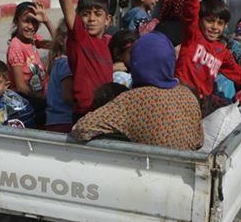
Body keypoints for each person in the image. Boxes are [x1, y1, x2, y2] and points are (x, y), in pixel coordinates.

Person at [70, 32, 203, 150]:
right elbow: (199, 141)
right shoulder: (188, 95)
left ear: (136, 62)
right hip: (185, 173)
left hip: (148, 173)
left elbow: (81, 129)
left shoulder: (132, 100)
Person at [43, 0, 114, 120]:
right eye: (85, 14)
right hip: (87, 115)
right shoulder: (81, 38)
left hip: (106, 113)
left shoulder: (108, 43)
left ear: (108, 20)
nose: (91, 19)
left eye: (97, 14)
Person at [7, 1, 52, 127]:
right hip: (28, 104)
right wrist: (45, 100)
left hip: (39, 98)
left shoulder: (32, 39)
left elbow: (58, 45)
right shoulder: (16, 46)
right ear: (16, 22)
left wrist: (46, 20)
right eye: (26, 21)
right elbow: (21, 87)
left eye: (35, 22)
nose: (31, 26)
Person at [45, 20, 74, 133]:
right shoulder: (66, 64)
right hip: (65, 121)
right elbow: (67, 96)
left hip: (54, 120)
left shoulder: (58, 61)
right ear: (62, 40)